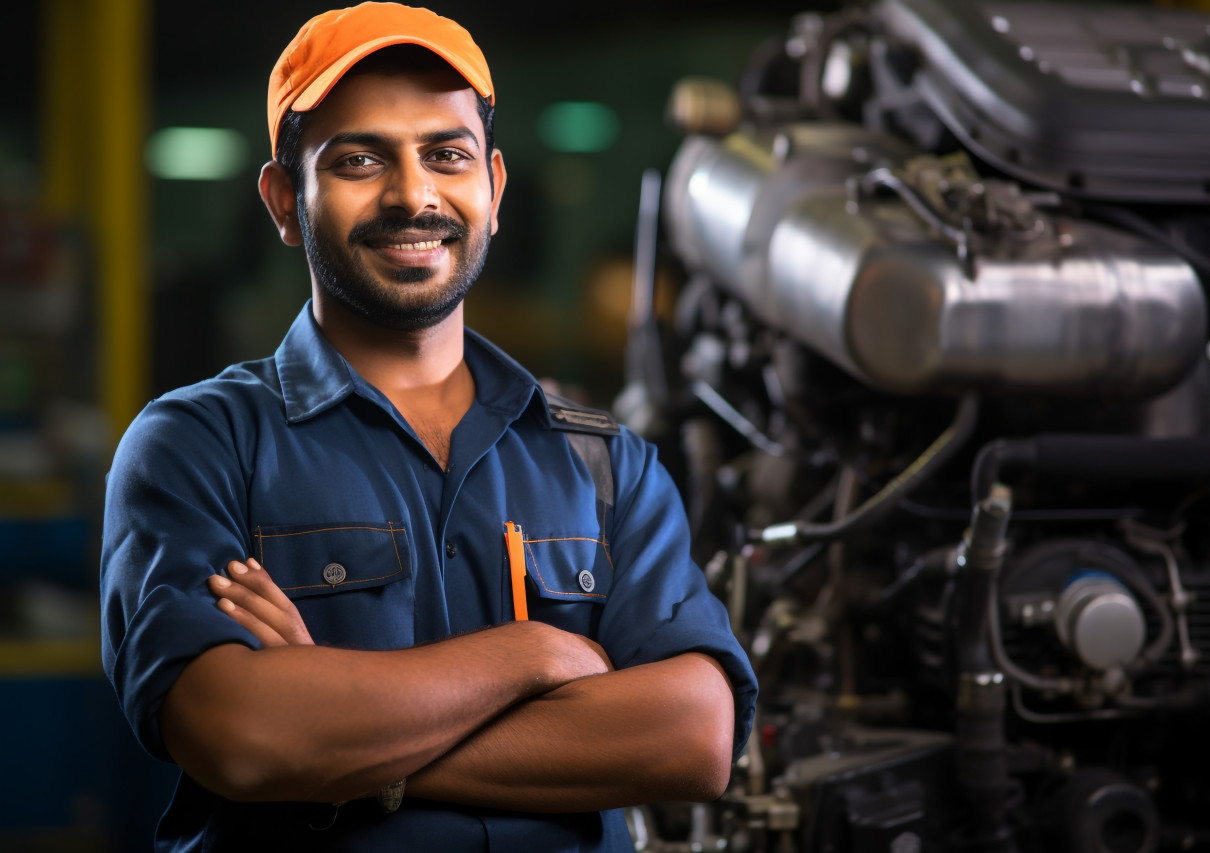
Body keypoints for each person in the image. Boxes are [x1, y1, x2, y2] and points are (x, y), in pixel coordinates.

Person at [99, 3, 757, 850]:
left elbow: (693, 737)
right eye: (359, 160)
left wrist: (333, 736)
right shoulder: (199, 448)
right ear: (285, 202)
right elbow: (244, 735)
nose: (413, 195)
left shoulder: (603, 462)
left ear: (494, 189)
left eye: (446, 155)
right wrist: (532, 656)